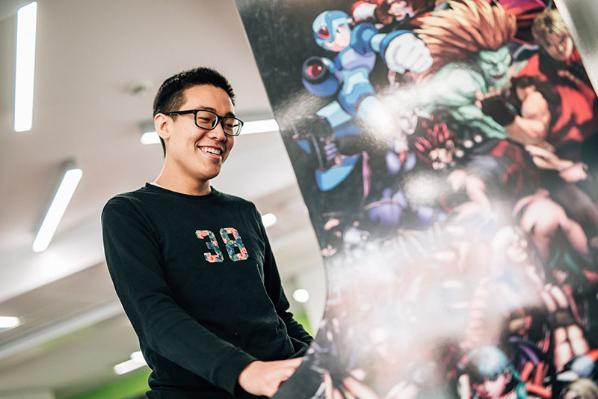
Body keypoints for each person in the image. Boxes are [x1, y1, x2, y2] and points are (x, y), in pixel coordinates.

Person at [101, 67, 313, 399]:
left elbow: (277, 312)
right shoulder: (130, 212)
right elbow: (154, 316)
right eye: (205, 118)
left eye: (228, 123)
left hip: (280, 382)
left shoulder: (242, 212)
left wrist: (320, 358)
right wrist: (243, 370)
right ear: (164, 125)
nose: (220, 133)